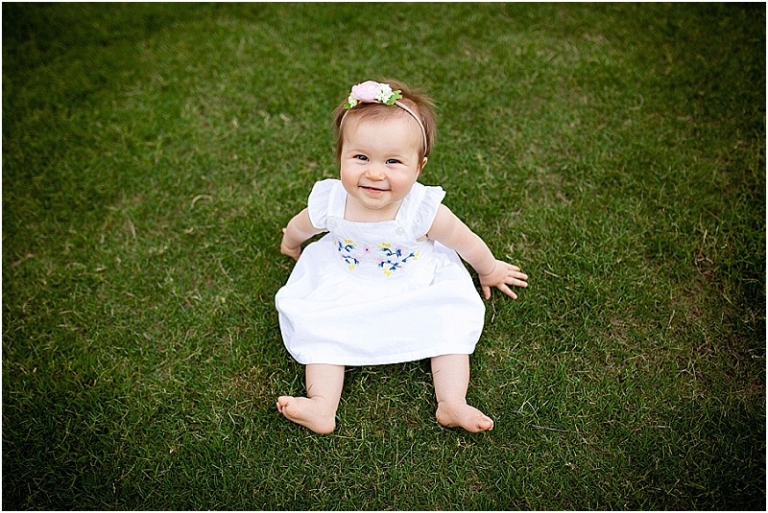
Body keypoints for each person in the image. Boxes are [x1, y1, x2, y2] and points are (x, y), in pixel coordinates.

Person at [275, 79, 528, 434]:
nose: (375, 172)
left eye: (393, 161)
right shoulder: (331, 202)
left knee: (448, 328)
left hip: (416, 282)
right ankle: (321, 406)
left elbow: (466, 242)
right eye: (361, 157)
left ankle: (452, 402)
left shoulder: (421, 212)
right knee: (324, 331)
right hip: (347, 279)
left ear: (418, 167)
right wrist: (291, 243)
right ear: (341, 157)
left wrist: (490, 269)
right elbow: (300, 226)